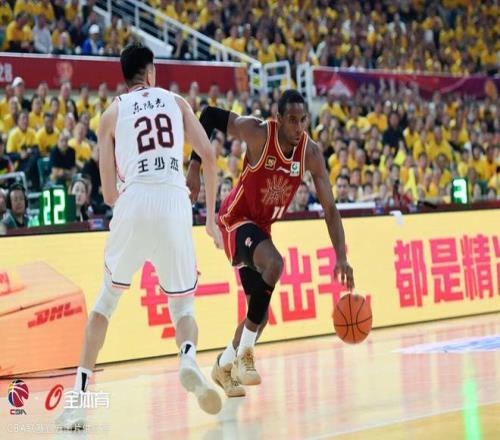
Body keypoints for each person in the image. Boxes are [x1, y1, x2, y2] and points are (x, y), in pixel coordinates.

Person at [56, 42, 223, 430]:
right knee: (183, 309)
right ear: (150, 73)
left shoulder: (111, 114)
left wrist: (132, 207)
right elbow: (210, 157)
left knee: (104, 304)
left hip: (134, 201)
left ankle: (77, 403)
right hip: (174, 201)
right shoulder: (177, 103)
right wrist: (211, 220)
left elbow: (108, 194)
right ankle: (187, 357)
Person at [186, 89, 354, 398]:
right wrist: (195, 166)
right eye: (292, 120)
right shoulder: (258, 133)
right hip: (235, 219)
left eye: (303, 120)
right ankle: (246, 356)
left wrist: (341, 256)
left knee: (259, 316)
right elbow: (208, 115)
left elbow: (330, 208)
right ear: (278, 119)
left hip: (260, 228)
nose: (298, 127)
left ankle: (223, 365)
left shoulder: (310, 153)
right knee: (275, 264)